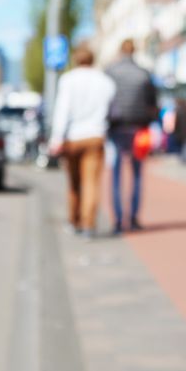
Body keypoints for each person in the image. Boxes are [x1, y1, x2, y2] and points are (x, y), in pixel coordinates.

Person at [49, 43, 115, 238]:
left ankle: (74, 220)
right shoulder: (105, 81)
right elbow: (110, 110)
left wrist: (56, 138)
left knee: (74, 183)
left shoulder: (68, 80)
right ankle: (88, 224)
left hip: (72, 137)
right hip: (95, 136)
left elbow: (62, 109)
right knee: (91, 183)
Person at [104, 39, 158, 232]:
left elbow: (106, 100)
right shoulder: (144, 74)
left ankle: (118, 219)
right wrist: (147, 121)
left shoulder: (110, 72)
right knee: (136, 174)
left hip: (117, 127)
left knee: (116, 173)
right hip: (138, 128)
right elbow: (153, 103)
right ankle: (134, 217)